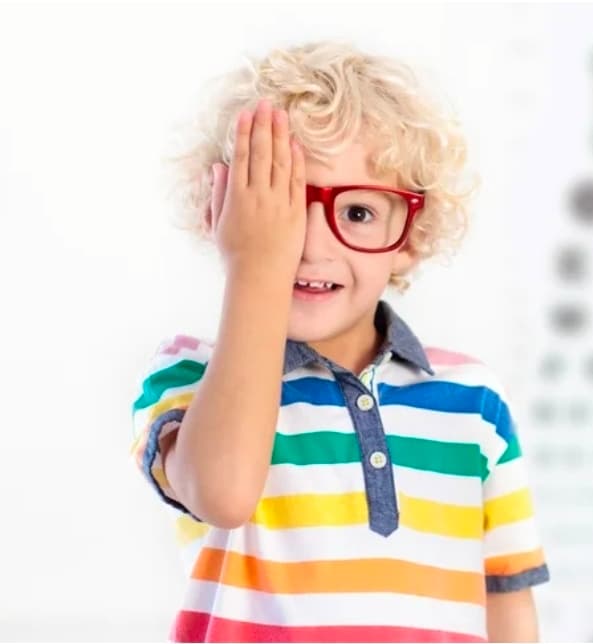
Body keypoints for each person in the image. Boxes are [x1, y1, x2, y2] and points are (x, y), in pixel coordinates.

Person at [129, 41, 549, 643]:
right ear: (220, 214)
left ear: (411, 233)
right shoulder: (190, 375)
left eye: (356, 214)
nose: (311, 245)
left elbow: (506, 596)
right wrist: (255, 266)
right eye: (282, 207)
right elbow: (221, 493)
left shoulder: (473, 400)